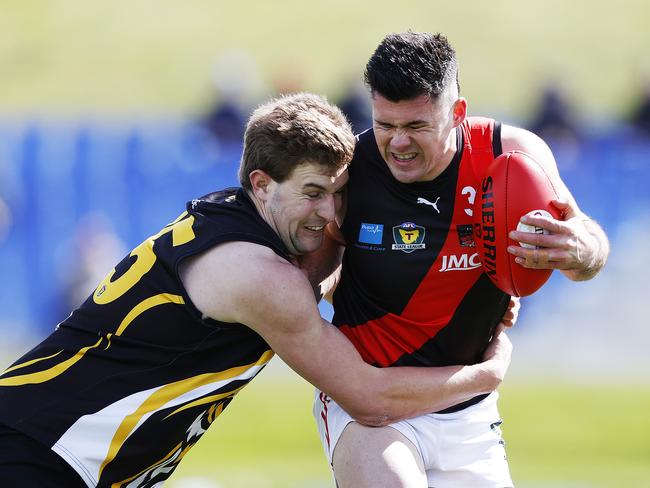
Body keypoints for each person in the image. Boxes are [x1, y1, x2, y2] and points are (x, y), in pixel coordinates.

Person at [0, 93, 514, 488]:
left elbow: (323, 274)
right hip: (39, 454)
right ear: (263, 183)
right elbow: (368, 399)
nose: (330, 214)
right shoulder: (260, 276)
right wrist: (484, 374)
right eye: (313, 193)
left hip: (48, 447)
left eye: (339, 195)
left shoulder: (237, 218)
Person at [311, 32, 610, 488]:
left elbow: (586, 248)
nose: (397, 143)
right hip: (371, 410)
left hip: (468, 415)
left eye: (415, 126)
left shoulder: (512, 156)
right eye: (385, 124)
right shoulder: (350, 170)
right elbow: (312, 273)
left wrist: (581, 249)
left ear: (457, 114)